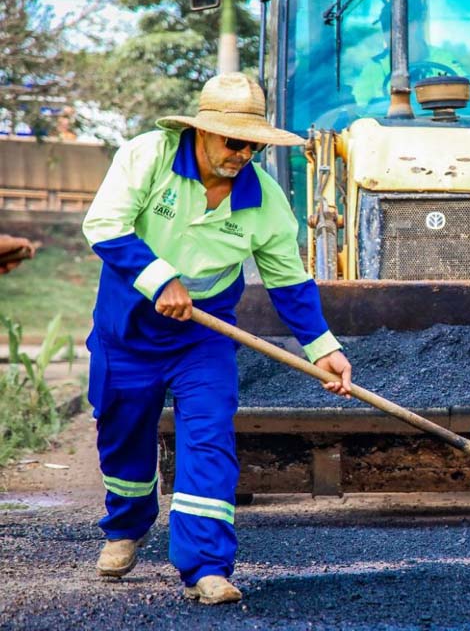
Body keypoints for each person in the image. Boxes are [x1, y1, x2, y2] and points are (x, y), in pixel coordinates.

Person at [81, 72, 352, 605]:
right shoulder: (148, 157)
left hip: (202, 339)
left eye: (252, 144)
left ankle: (205, 566)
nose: (243, 153)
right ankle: (126, 527)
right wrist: (162, 280)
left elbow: (289, 281)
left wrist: (325, 348)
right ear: (202, 132)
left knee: (209, 439)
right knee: (123, 431)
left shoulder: (265, 200)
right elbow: (106, 225)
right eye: (233, 141)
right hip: (128, 329)